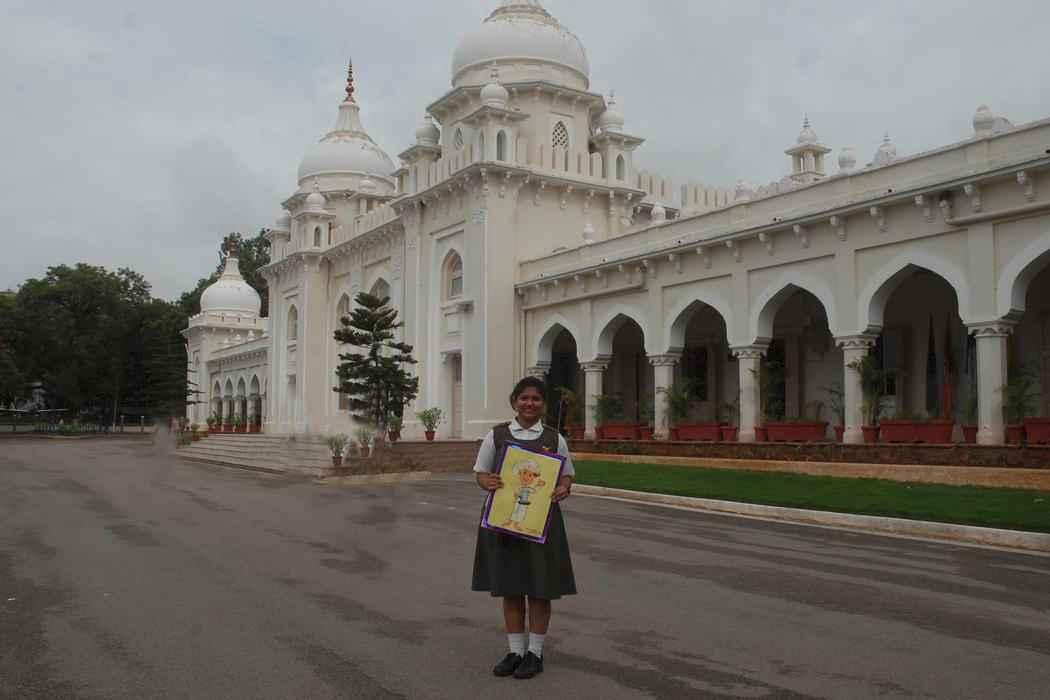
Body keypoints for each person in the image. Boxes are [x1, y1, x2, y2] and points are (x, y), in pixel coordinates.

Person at [472, 376, 576, 680]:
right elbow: (480, 473)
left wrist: (564, 488)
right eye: (524, 398)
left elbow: (566, 475)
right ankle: (515, 651)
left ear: (543, 404)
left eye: (536, 399)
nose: (530, 403)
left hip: (542, 524)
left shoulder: (555, 438)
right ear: (514, 401)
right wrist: (488, 482)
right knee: (511, 588)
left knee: (540, 590)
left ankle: (535, 653)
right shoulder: (497, 435)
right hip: (504, 523)